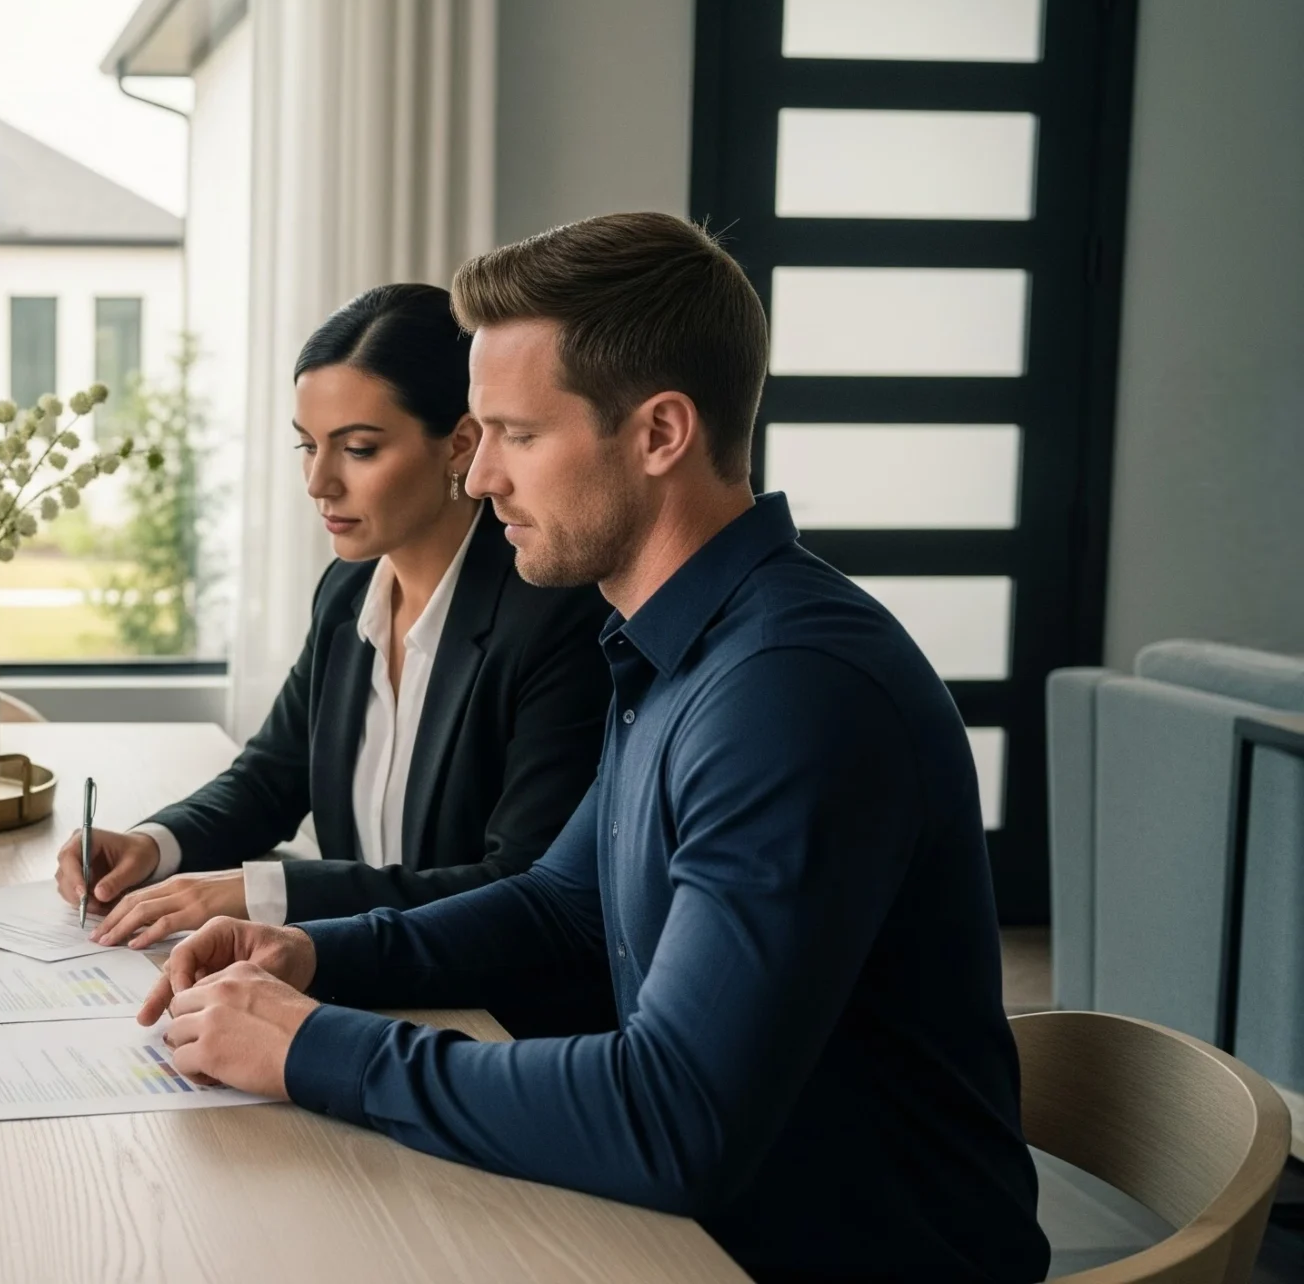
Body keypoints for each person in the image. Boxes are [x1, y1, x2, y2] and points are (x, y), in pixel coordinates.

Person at [137, 214, 1047, 1283]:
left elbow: (671, 1118)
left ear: (659, 432)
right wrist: (317, 957)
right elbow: (560, 904)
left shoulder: (787, 692)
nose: (480, 482)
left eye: (518, 436)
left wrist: (307, 1044)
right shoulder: (673, 641)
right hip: (705, 1234)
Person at [54, 285, 611, 961]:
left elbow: (515, 885)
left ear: (460, 445)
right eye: (307, 446)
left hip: (483, 1016)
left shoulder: (553, 618)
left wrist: (262, 893)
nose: (319, 482)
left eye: (359, 449)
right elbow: (270, 779)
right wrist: (152, 844)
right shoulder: (349, 591)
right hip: (353, 982)